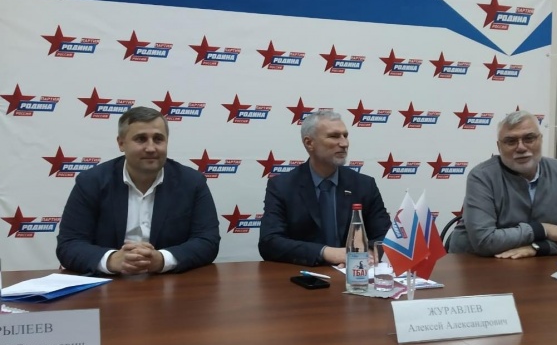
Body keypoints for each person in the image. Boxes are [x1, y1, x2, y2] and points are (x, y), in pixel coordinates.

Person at [57, 106, 220, 275]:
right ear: (121, 143)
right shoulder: (91, 182)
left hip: (167, 283)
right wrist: (112, 260)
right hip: (108, 283)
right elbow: (69, 244)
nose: (151, 148)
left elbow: (208, 241)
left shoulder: (192, 182)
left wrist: (162, 259)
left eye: (158, 139)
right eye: (141, 139)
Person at [259, 110, 391, 266]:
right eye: (334, 136)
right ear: (309, 143)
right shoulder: (282, 186)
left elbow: (385, 236)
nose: (344, 143)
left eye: (345, 135)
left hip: (354, 272)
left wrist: (367, 254)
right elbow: (270, 242)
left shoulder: (364, 185)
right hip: (306, 275)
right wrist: (328, 253)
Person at [448, 110, 557, 259]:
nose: (521, 147)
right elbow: (484, 241)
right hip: (475, 263)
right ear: (499, 147)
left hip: (537, 263)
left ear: (541, 139)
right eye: (511, 141)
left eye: (529, 138)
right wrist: (543, 229)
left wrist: (537, 247)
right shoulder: (481, 176)